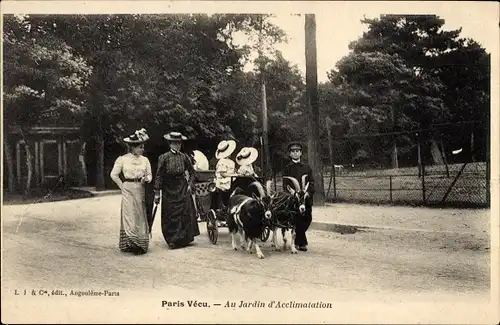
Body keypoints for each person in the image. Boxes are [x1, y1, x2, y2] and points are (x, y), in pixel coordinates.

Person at [153, 131, 200, 249]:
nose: (177, 145)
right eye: (174, 143)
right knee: (170, 213)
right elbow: (159, 175)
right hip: (168, 188)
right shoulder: (164, 157)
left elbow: (192, 172)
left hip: (182, 187)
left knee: (184, 212)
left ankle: (183, 239)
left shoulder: (184, 157)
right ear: (170, 143)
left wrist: (189, 184)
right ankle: (172, 240)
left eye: (179, 143)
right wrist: (157, 193)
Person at [110, 128, 152, 255]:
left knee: (140, 214)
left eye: (143, 147)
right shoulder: (122, 159)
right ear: (133, 148)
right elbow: (114, 174)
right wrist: (122, 186)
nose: (142, 149)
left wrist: (147, 179)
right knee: (130, 215)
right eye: (140, 147)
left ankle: (140, 243)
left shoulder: (145, 160)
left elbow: (149, 174)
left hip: (140, 188)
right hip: (128, 188)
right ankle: (131, 242)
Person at [282, 142, 315, 252]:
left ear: (301, 153)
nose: (295, 153)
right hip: (293, 198)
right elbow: (285, 184)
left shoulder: (307, 167)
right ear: (290, 154)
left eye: (297, 151)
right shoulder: (287, 168)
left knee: (307, 219)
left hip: (305, 198)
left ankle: (299, 240)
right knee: (296, 219)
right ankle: (301, 243)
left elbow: (312, 182)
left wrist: (308, 193)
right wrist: (291, 193)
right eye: (293, 151)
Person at [212, 139, 237, 210]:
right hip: (223, 180)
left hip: (230, 178)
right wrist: (232, 175)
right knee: (229, 183)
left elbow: (232, 171)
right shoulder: (221, 162)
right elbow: (222, 174)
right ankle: (226, 206)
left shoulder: (231, 162)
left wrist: (235, 174)